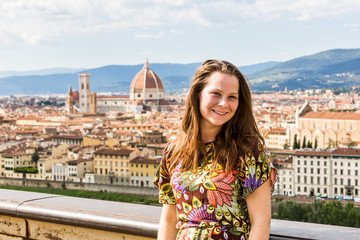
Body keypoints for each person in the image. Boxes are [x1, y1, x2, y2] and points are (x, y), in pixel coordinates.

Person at [153, 59, 278, 240]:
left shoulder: (248, 151)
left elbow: (261, 221)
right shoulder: (174, 151)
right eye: (216, 94)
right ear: (198, 94)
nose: (223, 103)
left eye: (232, 97)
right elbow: (169, 220)